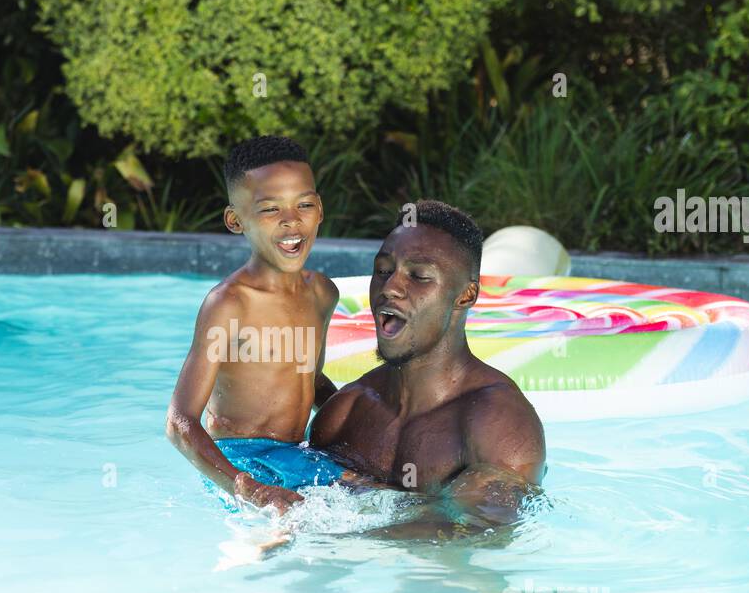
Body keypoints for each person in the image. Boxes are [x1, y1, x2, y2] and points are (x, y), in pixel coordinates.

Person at [309, 200, 546, 532]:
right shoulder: (343, 415)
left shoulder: (497, 425)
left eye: (418, 276)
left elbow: (476, 533)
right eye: (382, 270)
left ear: (465, 296)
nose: (390, 287)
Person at [167, 136, 344, 513]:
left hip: (297, 455)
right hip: (239, 461)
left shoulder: (322, 295)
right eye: (269, 209)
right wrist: (246, 488)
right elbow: (179, 422)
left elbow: (310, 381)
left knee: (399, 504)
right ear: (236, 220)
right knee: (285, 531)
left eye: (305, 205)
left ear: (320, 210)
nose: (291, 221)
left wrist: (365, 415)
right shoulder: (230, 304)